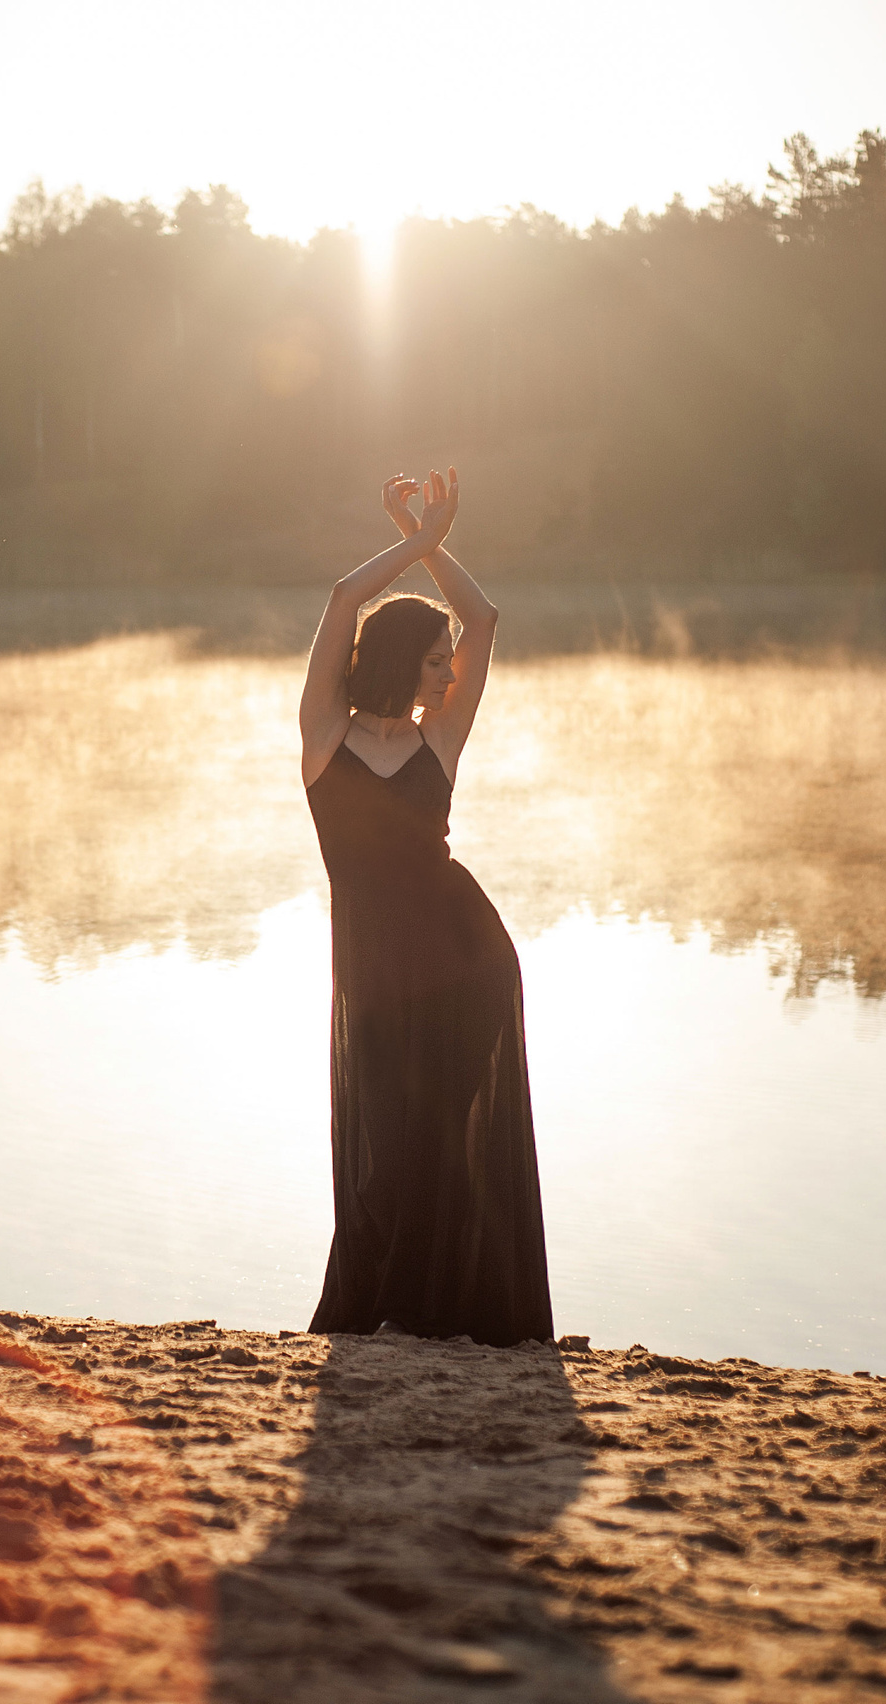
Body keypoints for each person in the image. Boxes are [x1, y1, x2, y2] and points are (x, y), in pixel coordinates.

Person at [296, 469, 553, 1347]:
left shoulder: (439, 740)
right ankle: (398, 1306)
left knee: (434, 1142)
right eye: (436, 659)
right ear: (405, 658)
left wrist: (439, 546)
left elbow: (485, 623)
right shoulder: (324, 739)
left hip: (462, 961)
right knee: (384, 1146)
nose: (452, 670)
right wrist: (407, 544)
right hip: (373, 970)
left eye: (449, 663)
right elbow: (341, 600)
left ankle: (426, 1314)